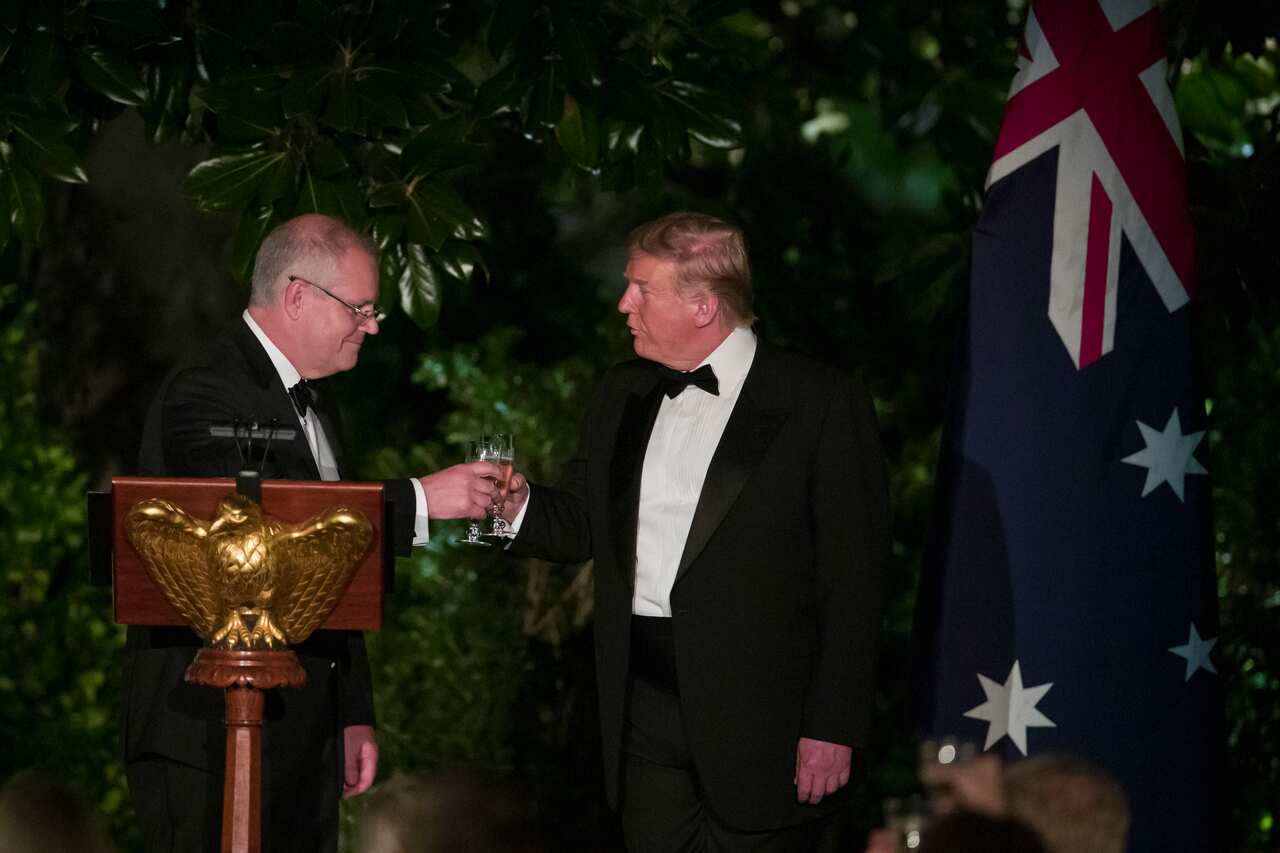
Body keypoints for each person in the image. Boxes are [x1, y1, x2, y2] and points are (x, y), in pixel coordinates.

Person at [501, 211, 890, 850]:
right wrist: (509, 507)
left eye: (641, 289)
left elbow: (854, 580)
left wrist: (834, 725)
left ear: (704, 305)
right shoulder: (621, 392)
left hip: (767, 721)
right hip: (641, 711)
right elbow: (579, 526)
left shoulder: (820, 400)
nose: (624, 304)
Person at [126, 214, 501, 853]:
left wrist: (351, 710)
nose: (374, 325)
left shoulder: (318, 399)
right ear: (299, 296)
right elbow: (250, 538)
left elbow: (333, 578)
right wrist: (418, 500)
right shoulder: (206, 389)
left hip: (304, 732)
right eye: (360, 308)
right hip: (210, 730)